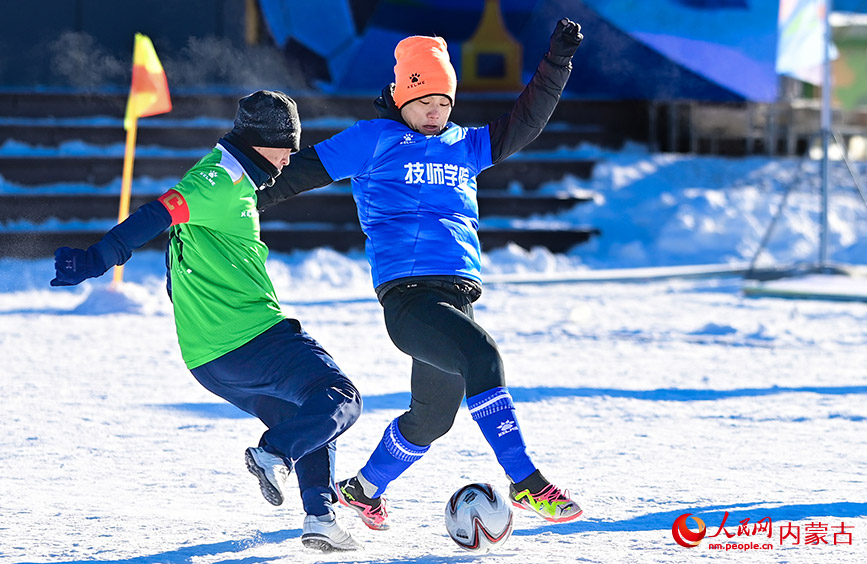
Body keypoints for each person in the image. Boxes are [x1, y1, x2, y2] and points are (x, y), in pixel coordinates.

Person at [256, 19, 585, 531]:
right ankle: (525, 480)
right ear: (399, 96)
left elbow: (527, 119)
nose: (435, 112)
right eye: (424, 100)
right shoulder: (372, 139)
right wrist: (223, 204)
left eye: (444, 103)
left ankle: (363, 489)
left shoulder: (467, 144)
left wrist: (556, 62)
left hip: (456, 298)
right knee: (483, 355)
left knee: (433, 417)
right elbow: (293, 178)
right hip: (410, 299)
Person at [50, 91, 363, 552]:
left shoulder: (237, 177)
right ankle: (274, 455)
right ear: (262, 140)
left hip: (209, 361)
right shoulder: (218, 178)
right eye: (286, 145)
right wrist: (98, 258)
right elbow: (155, 214)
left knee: (308, 415)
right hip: (251, 337)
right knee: (340, 398)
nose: (290, 156)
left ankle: (319, 515)